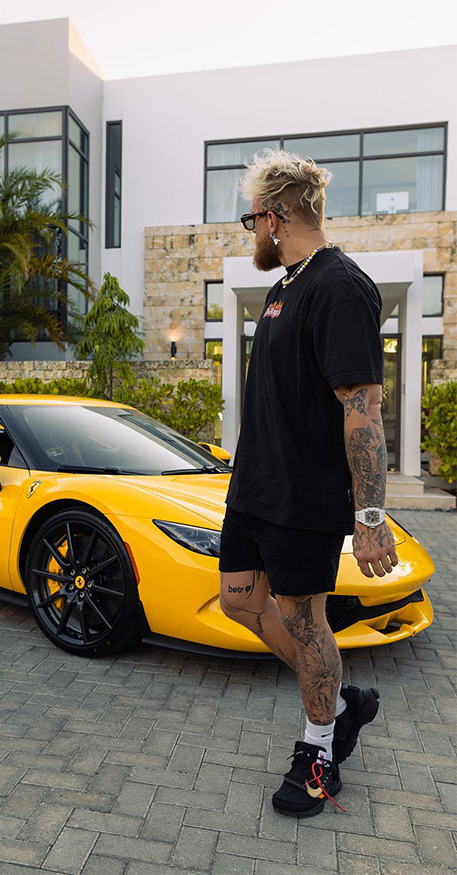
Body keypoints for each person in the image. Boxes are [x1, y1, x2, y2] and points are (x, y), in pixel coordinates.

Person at [219, 149, 398, 818]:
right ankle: (343, 700)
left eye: (250, 221)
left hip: (304, 496)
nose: (252, 234)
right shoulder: (285, 286)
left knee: (305, 619)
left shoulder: (340, 286)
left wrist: (370, 513)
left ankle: (320, 751)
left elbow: (363, 407)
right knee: (238, 599)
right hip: (255, 488)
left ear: (273, 217)